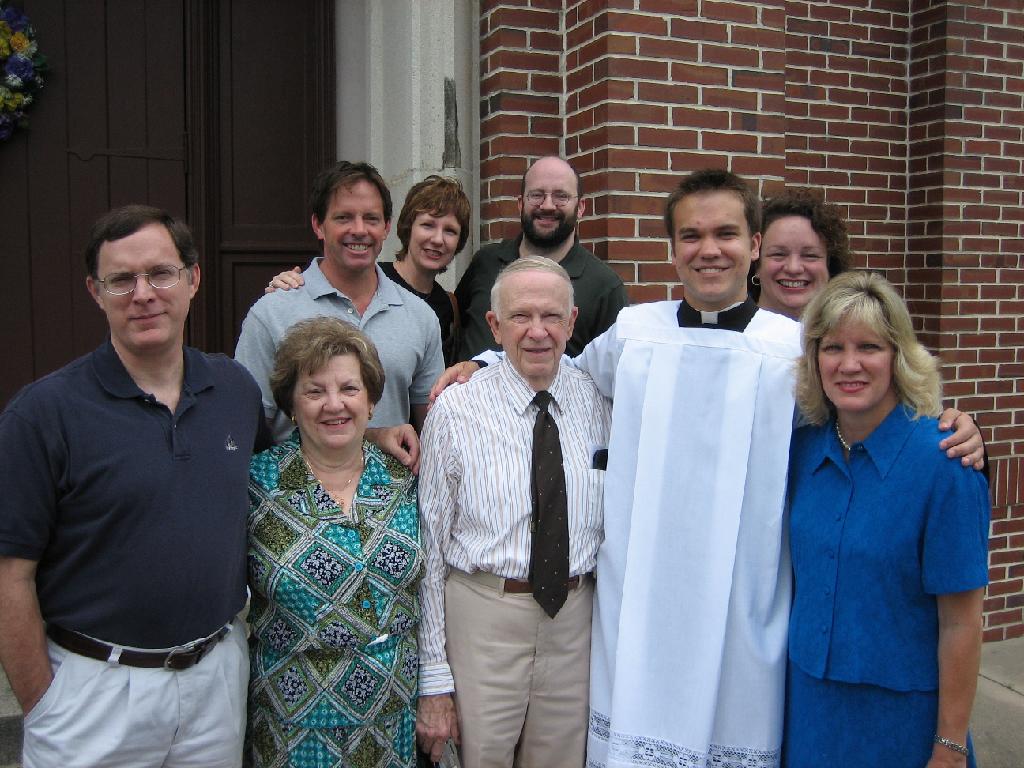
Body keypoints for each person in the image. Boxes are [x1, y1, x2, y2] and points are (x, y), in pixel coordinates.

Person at [432, 170, 985, 768]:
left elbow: (864, 408)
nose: (709, 249)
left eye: (726, 233)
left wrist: (957, 423)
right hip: (641, 604)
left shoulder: (792, 348)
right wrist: (482, 364)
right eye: (691, 236)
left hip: (744, 605)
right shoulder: (634, 334)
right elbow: (556, 367)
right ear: (672, 249)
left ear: (753, 245)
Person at [0, 205, 268, 767]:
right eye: (121, 280)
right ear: (95, 292)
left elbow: (295, 465)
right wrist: (43, 703)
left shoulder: (235, 391)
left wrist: (377, 433)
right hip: (94, 695)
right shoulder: (43, 414)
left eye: (161, 273)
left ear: (193, 278)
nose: (144, 294)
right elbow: (9, 573)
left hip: (215, 681)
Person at [786, 271, 989, 767]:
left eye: (869, 347)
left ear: (898, 356)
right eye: (832, 347)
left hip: (901, 726)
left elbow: (961, 623)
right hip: (808, 714)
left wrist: (949, 747)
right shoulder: (800, 450)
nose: (849, 364)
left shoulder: (946, 466)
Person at [416, 256, 612, 767]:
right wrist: (434, 678)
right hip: (483, 618)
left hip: (575, 622)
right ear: (495, 326)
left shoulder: (600, 402)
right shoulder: (456, 409)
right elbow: (429, 549)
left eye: (552, 316)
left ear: (572, 322)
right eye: (521, 316)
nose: (538, 331)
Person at [246, 317, 423, 767]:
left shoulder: (405, 478)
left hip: (394, 714)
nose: (334, 404)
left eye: (349, 388)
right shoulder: (257, 484)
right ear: (291, 404)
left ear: (371, 401)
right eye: (314, 391)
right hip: (295, 723)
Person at [236, 160, 443, 442]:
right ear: (318, 225)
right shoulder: (272, 313)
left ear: (386, 227)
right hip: (297, 471)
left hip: (392, 472)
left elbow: (433, 430)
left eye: (371, 219)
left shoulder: (420, 316)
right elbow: (247, 429)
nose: (359, 230)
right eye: (343, 217)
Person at [268, 175, 472, 366]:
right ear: (408, 228)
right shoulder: (370, 280)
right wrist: (284, 288)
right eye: (428, 225)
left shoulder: (448, 305)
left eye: (450, 231)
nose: (437, 239)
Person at [453, 155, 628, 360]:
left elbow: (612, 368)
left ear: (580, 207)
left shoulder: (605, 287)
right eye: (536, 195)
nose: (547, 205)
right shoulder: (485, 262)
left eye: (561, 196)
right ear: (520, 204)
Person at [752, 187, 851, 320]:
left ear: (830, 266)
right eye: (778, 254)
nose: (793, 268)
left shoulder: (852, 331)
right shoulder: (728, 331)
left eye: (810, 255)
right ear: (756, 264)